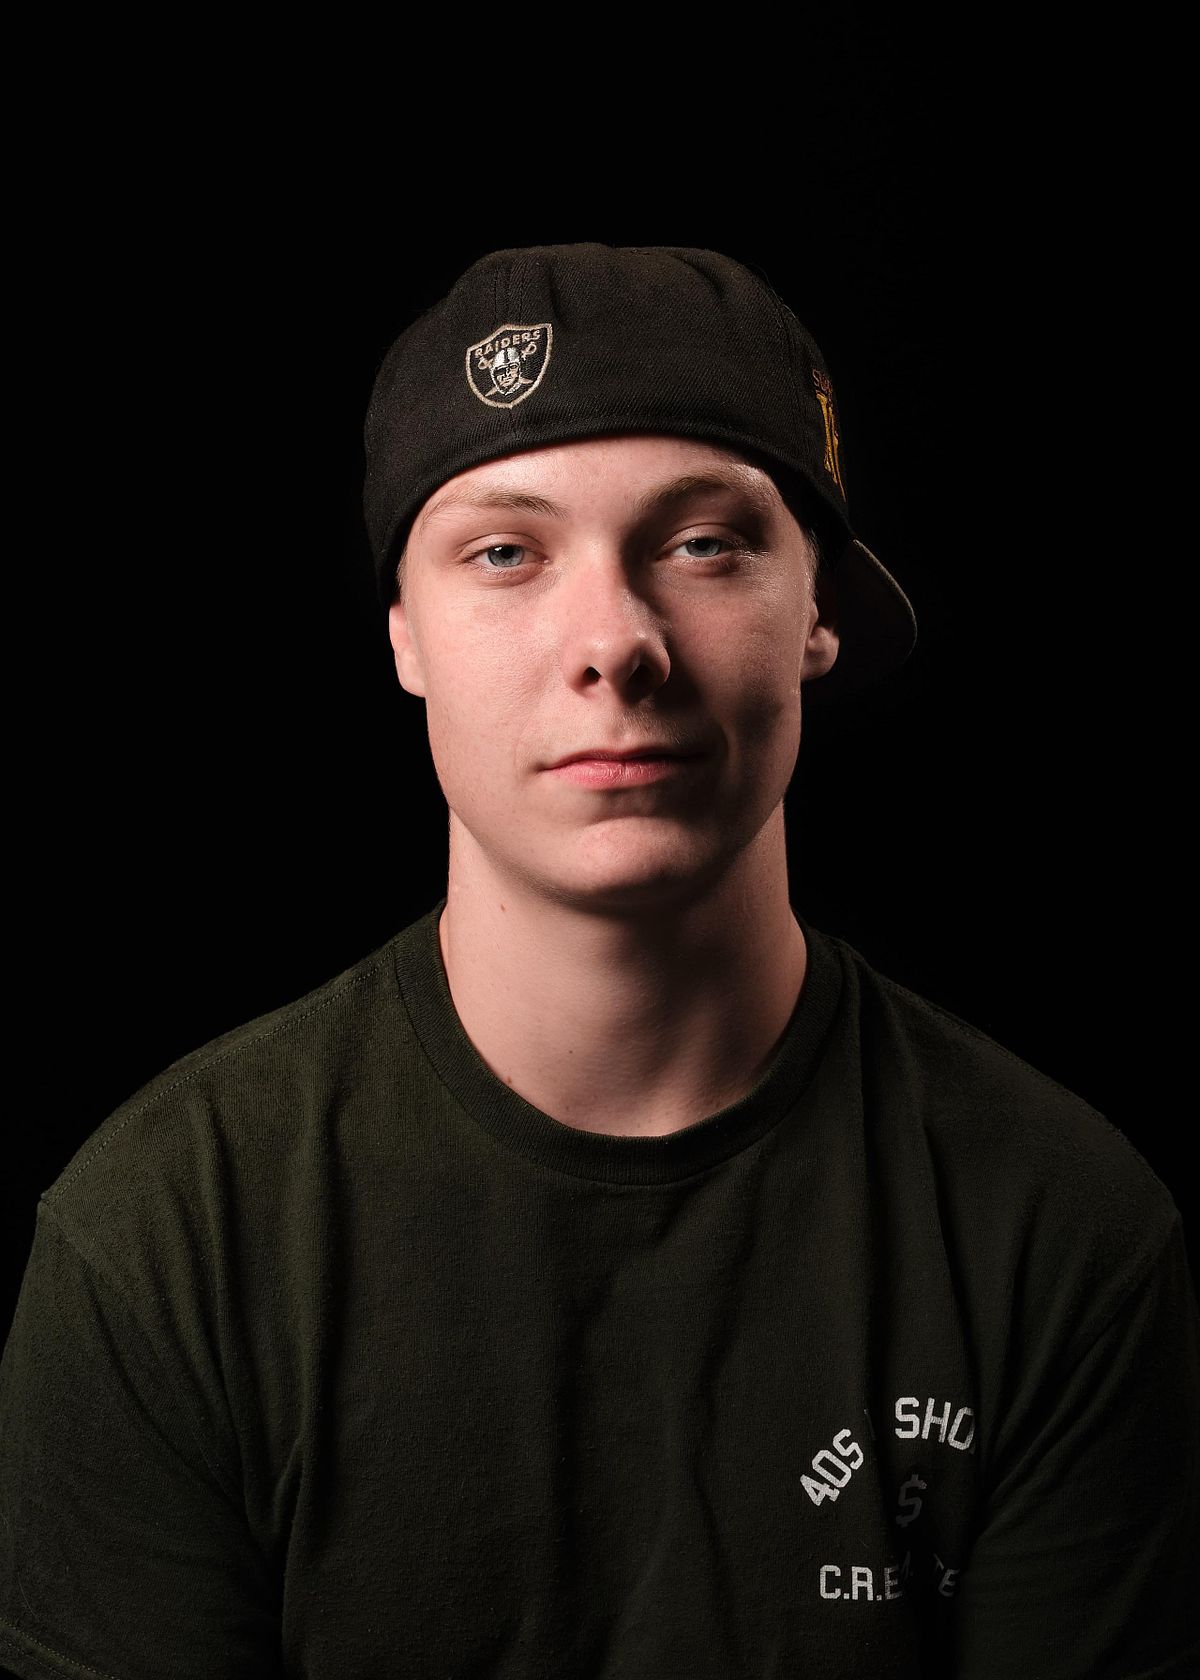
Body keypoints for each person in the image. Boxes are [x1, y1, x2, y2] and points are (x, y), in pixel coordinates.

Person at [1, 243, 1196, 1680]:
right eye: (505, 553)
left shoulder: (1055, 1228)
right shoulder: (164, 1241)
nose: (616, 645)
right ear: (404, 634)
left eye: (703, 545)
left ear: (818, 613)